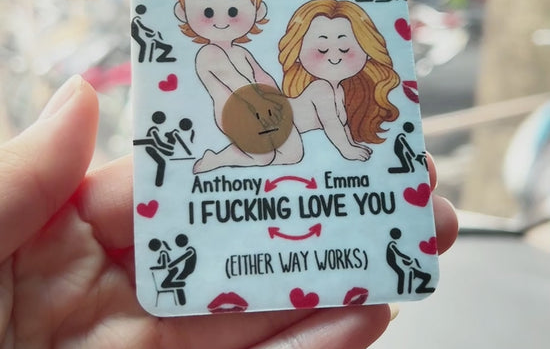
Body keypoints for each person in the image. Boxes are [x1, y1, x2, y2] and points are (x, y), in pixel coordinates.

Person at [0, 75, 457, 347]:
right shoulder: (211, 58)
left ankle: (226, 157)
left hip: (261, 107)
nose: (223, 17)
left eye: (235, 8)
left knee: (293, 147)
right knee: (288, 149)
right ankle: (224, 157)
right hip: (243, 112)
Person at [166, 0, 303, 173]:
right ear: (182, 13)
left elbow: (263, 77)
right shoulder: (208, 53)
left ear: (258, 11)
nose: (221, 21)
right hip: (236, 112)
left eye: (232, 11)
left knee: (293, 154)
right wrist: (261, 103)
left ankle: (240, 157)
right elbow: (237, 83)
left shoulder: (241, 52)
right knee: (263, 157)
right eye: (208, 12)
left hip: (265, 107)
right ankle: (218, 159)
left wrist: (279, 102)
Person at [278, 0, 400, 160]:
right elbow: (331, 123)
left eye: (344, 49)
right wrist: (347, 150)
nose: (334, 58)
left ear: (367, 51)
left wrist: (352, 144)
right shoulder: (320, 88)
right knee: (293, 156)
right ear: (297, 53)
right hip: (270, 126)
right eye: (322, 49)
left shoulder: (339, 90)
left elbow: (342, 124)